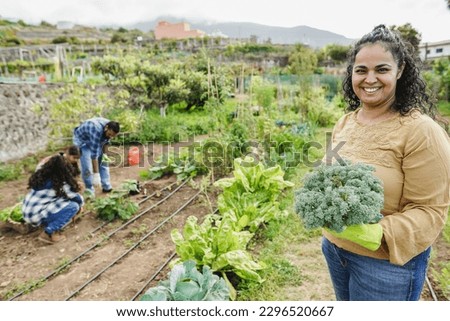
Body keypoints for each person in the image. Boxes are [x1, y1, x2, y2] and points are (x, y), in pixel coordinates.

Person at [321, 25, 450, 301]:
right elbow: (329, 177)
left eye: (381, 69)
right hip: (335, 249)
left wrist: (376, 233)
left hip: (385, 266)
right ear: (351, 74)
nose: (370, 79)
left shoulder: (421, 131)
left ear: (399, 70)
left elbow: (431, 211)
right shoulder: (345, 123)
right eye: (361, 70)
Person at [22, 154, 84, 244]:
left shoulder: (41, 177)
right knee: (73, 206)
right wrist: (80, 203)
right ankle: (48, 233)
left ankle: (47, 223)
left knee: (62, 201)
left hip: (27, 212)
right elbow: (76, 198)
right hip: (35, 216)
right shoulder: (59, 184)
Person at [73, 117, 120, 196]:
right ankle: (89, 189)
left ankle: (106, 185)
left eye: (112, 136)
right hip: (83, 141)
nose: (110, 137)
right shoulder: (96, 130)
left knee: (104, 161)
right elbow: (94, 155)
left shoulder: (111, 126)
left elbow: (106, 142)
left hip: (95, 138)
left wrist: (104, 156)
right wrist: (96, 174)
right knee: (87, 166)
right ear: (106, 128)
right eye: (109, 134)